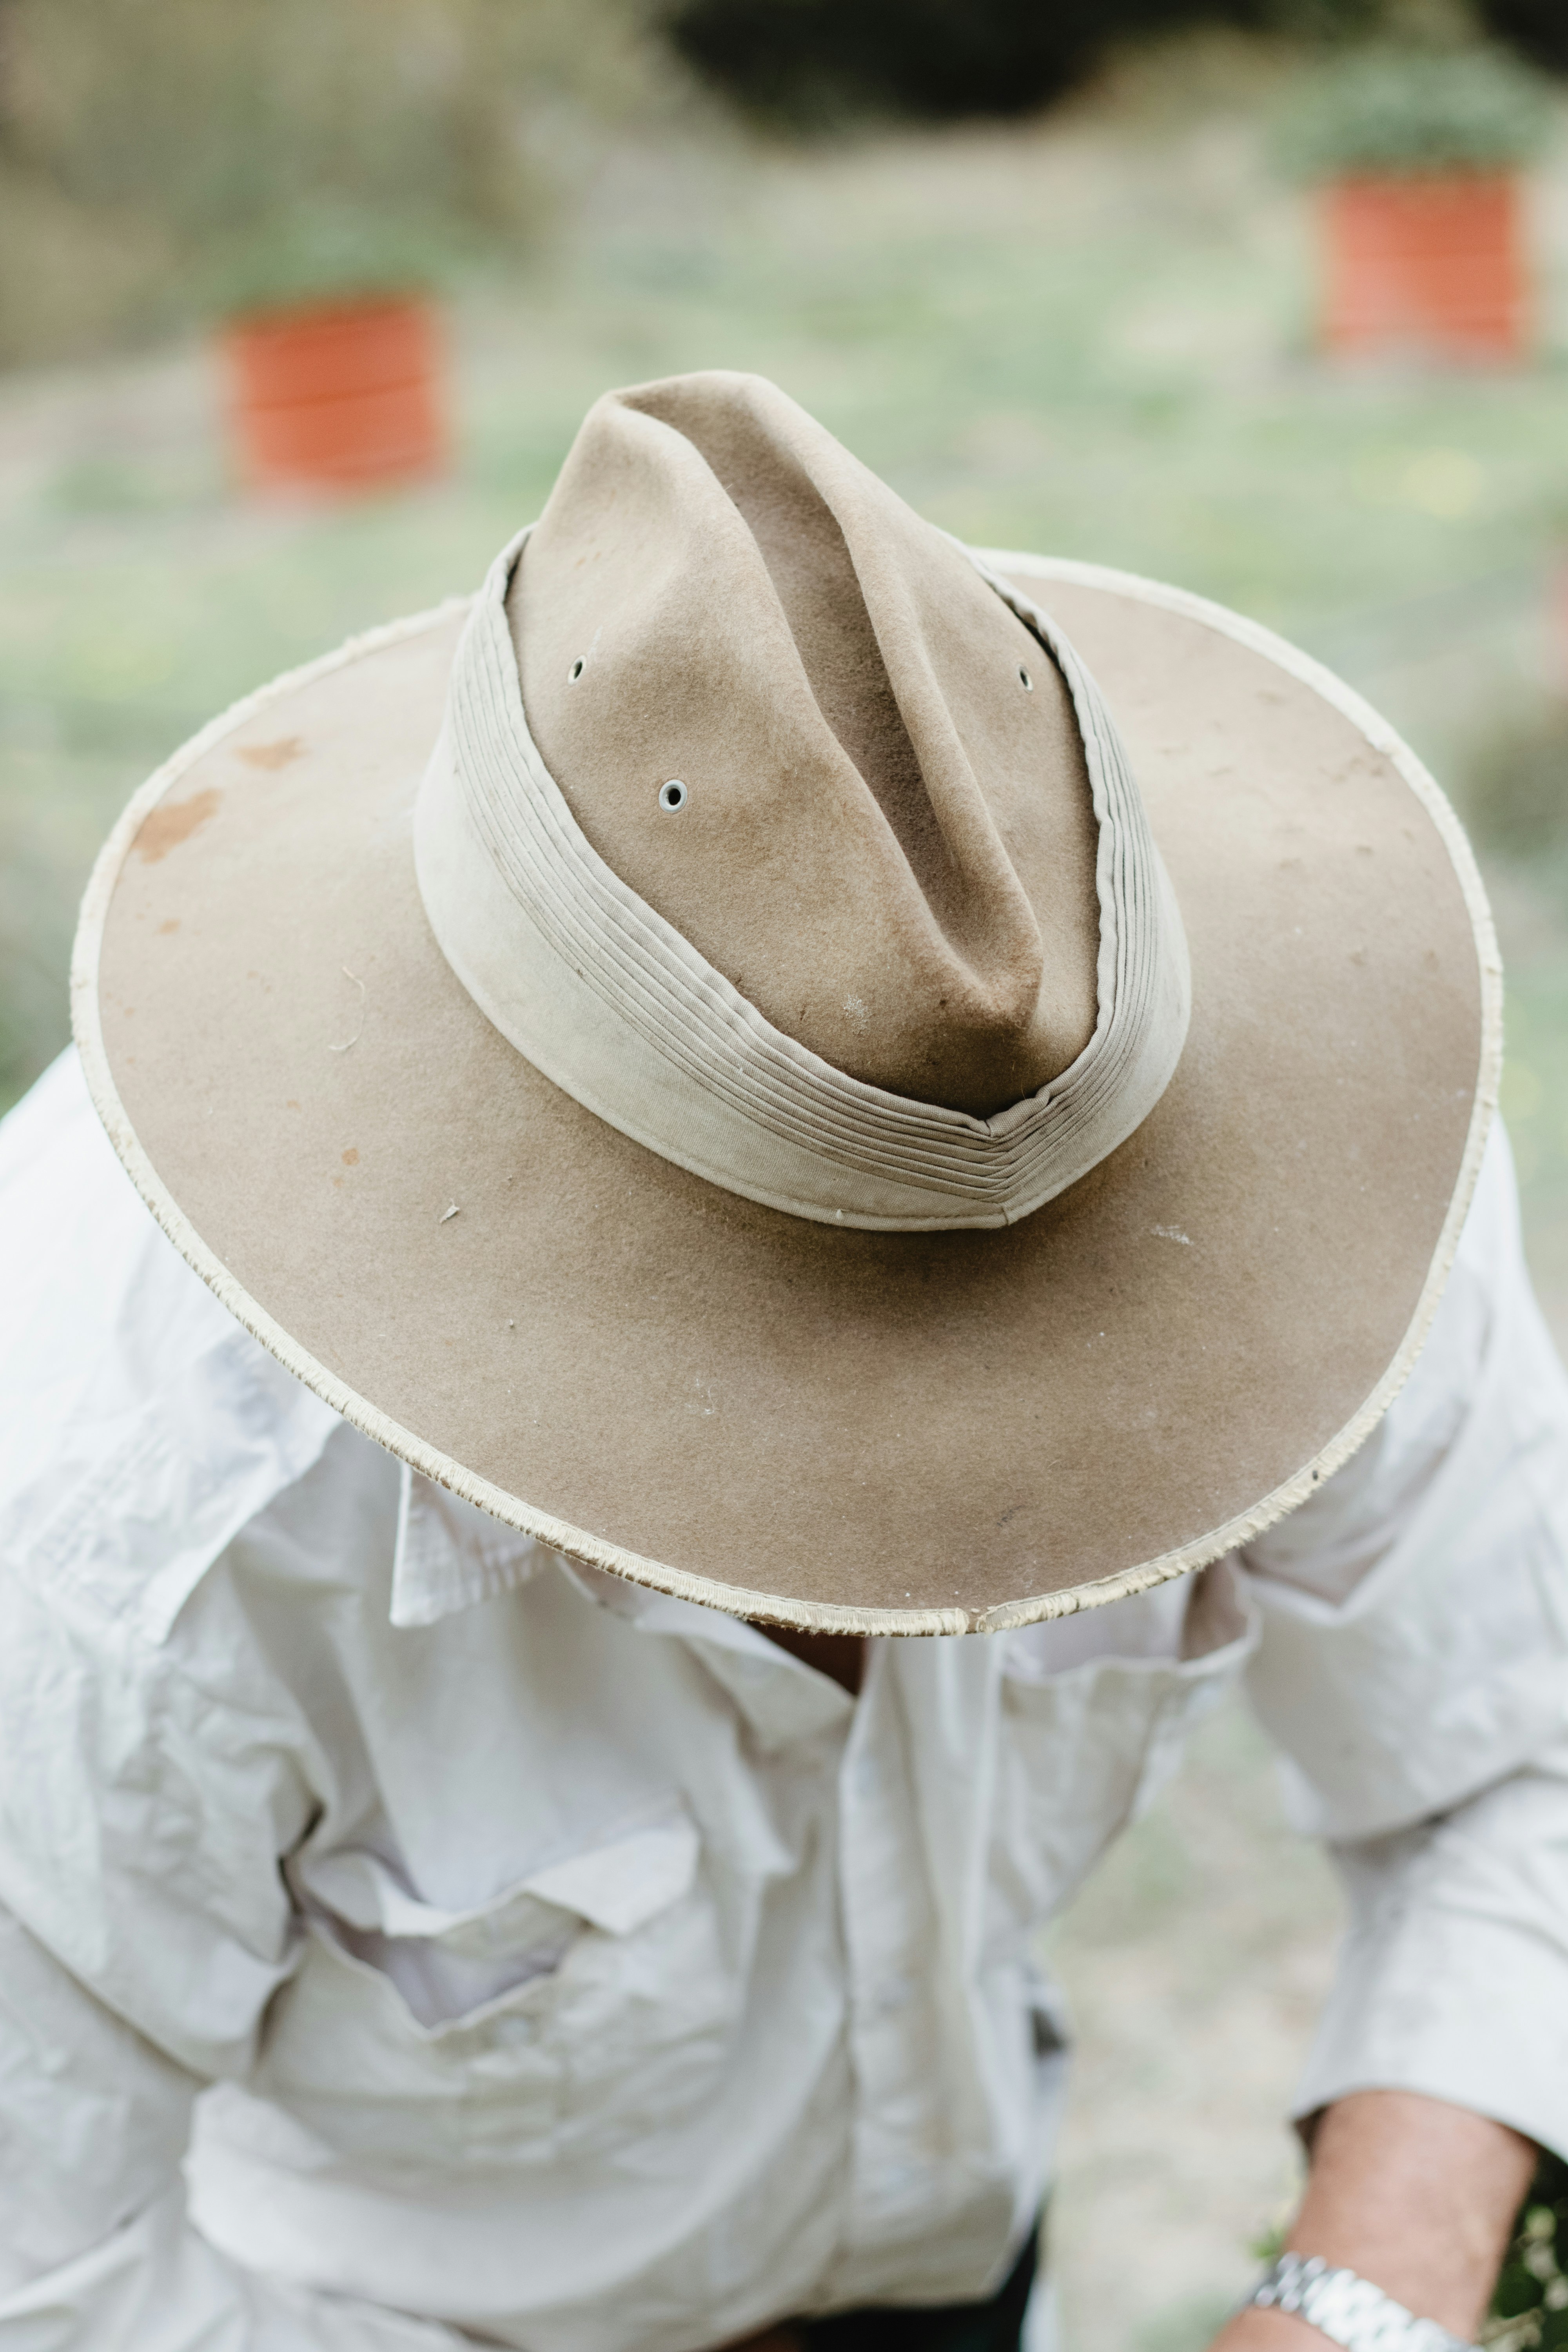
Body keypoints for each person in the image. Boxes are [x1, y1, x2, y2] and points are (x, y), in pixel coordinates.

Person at [1, 371, 1563, 2352]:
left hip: (961, 2246)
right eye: (824, 1342)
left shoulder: (1322, 1160)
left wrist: (1347, 2312)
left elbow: (1513, 1759)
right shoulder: (100, 1500)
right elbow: (48, 2277)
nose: (933, 1502)